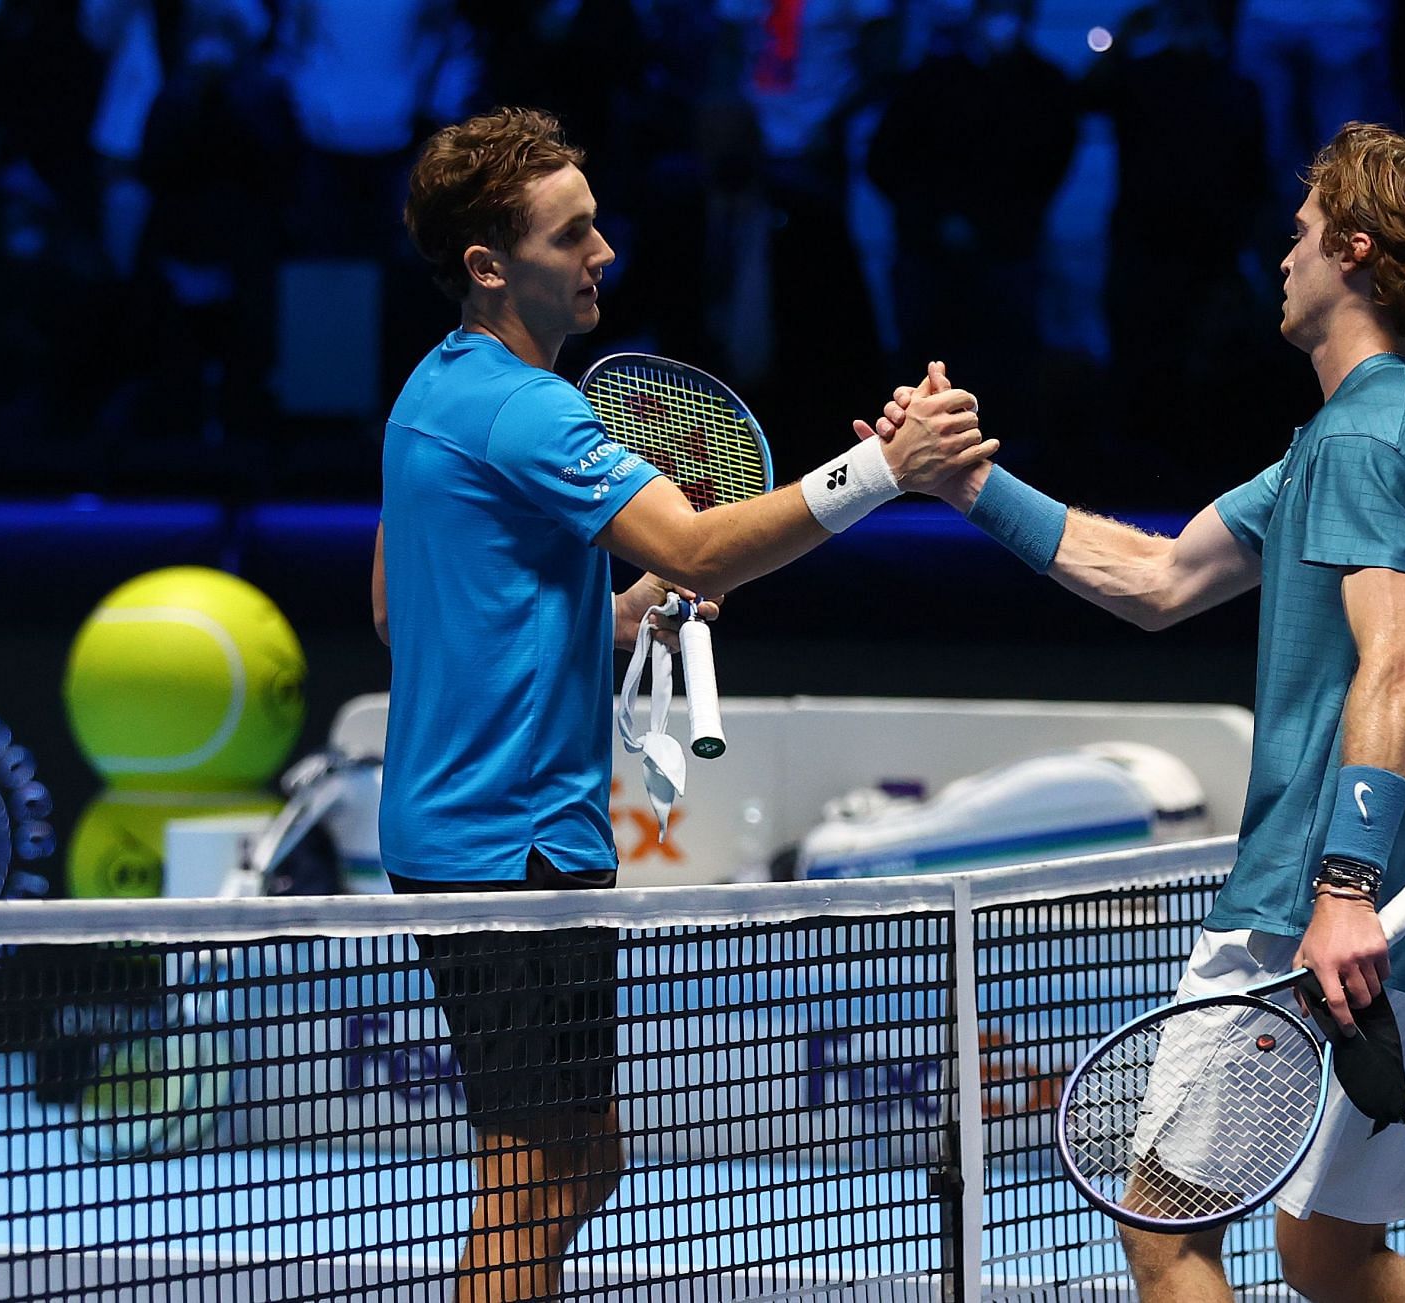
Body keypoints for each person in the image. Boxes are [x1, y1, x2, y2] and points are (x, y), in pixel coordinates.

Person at [371, 106, 992, 1302]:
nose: (604, 253)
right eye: (574, 234)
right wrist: (886, 471)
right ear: (489, 266)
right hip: (503, 855)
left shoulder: (426, 396)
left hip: (501, 838)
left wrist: (627, 609)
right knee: (522, 1181)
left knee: (585, 1155)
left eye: (597, 224)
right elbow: (705, 546)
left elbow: (412, 614)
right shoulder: (531, 410)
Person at [870, 121, 1405, 1303]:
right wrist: (964, 483)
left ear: (1354, 249)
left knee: (1166, 1235)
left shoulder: (1364, 439)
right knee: (1330, 1256)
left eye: (1305, 230)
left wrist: (1343, 890)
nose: (1285, 252)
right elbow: (1158, 580)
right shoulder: (1380, 432)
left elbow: (1397, 671)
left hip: (1319, 919)